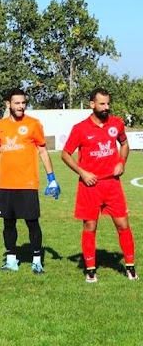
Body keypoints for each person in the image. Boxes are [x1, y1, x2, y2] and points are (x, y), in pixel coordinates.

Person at [61, 88, 138, 282]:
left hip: (112, 185)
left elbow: (124, 144)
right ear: (92, 104)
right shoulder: (80, 128)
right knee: (90, 226)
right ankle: (90, 270)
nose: (106, 107)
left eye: (108, 103)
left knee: (123, 224)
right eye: (102, 104)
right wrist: (82, 172)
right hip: (90, 187)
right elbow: (65, 154)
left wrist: (122, 162)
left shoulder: (116, 123)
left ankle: (130, 267)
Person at [0, 88, 60, 274]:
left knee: (32, 222)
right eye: (17, 103)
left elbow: (43, 151)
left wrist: (51, 178)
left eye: (23, 103)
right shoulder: (0, 125)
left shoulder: (33, 124)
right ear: (8, 104)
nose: (21, 106)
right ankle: (11, 261)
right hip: (6, 184)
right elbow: (0, 151)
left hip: (27, 183)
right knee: (8, 223)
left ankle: (37, 261)